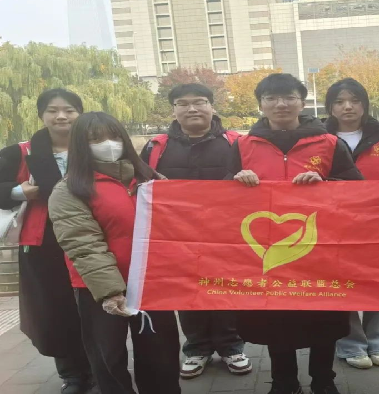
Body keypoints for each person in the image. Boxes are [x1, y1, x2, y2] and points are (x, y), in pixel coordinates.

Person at [229, 73, 363, 394]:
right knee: (276, 318)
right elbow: (221, 195)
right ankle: (284, 381)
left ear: (302, 102)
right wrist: (236, 179)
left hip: (320, 246)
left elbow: (356, 188)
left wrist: (325, 184)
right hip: (266, 250)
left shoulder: (329, 143)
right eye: (272, 98)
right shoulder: (243, 145)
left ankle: (323, 379)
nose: (281, 104)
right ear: (261, 104)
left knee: (324, 315)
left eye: (289, 97)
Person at [48, 112, 181, 394]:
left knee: (161, 354)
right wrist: (110, 291)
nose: (108, 144)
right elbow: (83, 243)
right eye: (96, 139)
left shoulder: (149, 178)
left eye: (114, 136)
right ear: (81, 145)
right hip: (98, 288)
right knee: (107, 356)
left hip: (151, 283)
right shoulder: (70, 189)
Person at [139, 83, 251, 379]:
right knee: (186, 290)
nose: (192, 109)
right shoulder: (156, 147)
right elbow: (139, 183)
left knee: (226, 288)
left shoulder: (237, 143)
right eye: (183, 103)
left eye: (199, 102)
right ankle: (196, 348)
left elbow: (255, 180)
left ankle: (231, 346)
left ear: (212, 106)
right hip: (177, 233)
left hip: (226, 232)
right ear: (174, 109)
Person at [0, 89, 94, 393]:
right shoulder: (20, 152)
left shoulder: (95, 148)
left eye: (69, 110)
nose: (61, 116)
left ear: (80, 114)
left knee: (97, 305)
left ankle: (103, 366)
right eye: (53, 110)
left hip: (93, 238)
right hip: (44, 243)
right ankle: (73, 374)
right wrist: (16, 191)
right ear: (42, 115)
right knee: (55, 308)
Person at [323, 78, 379, 369]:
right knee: (341, 280)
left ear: (365, 104)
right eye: (340, 101)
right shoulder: (318, 138)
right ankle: (350, 342)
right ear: (330, 107)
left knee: (377, 279)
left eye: (355, 100)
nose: (348, 107)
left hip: (378, 221)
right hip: (333, 221)